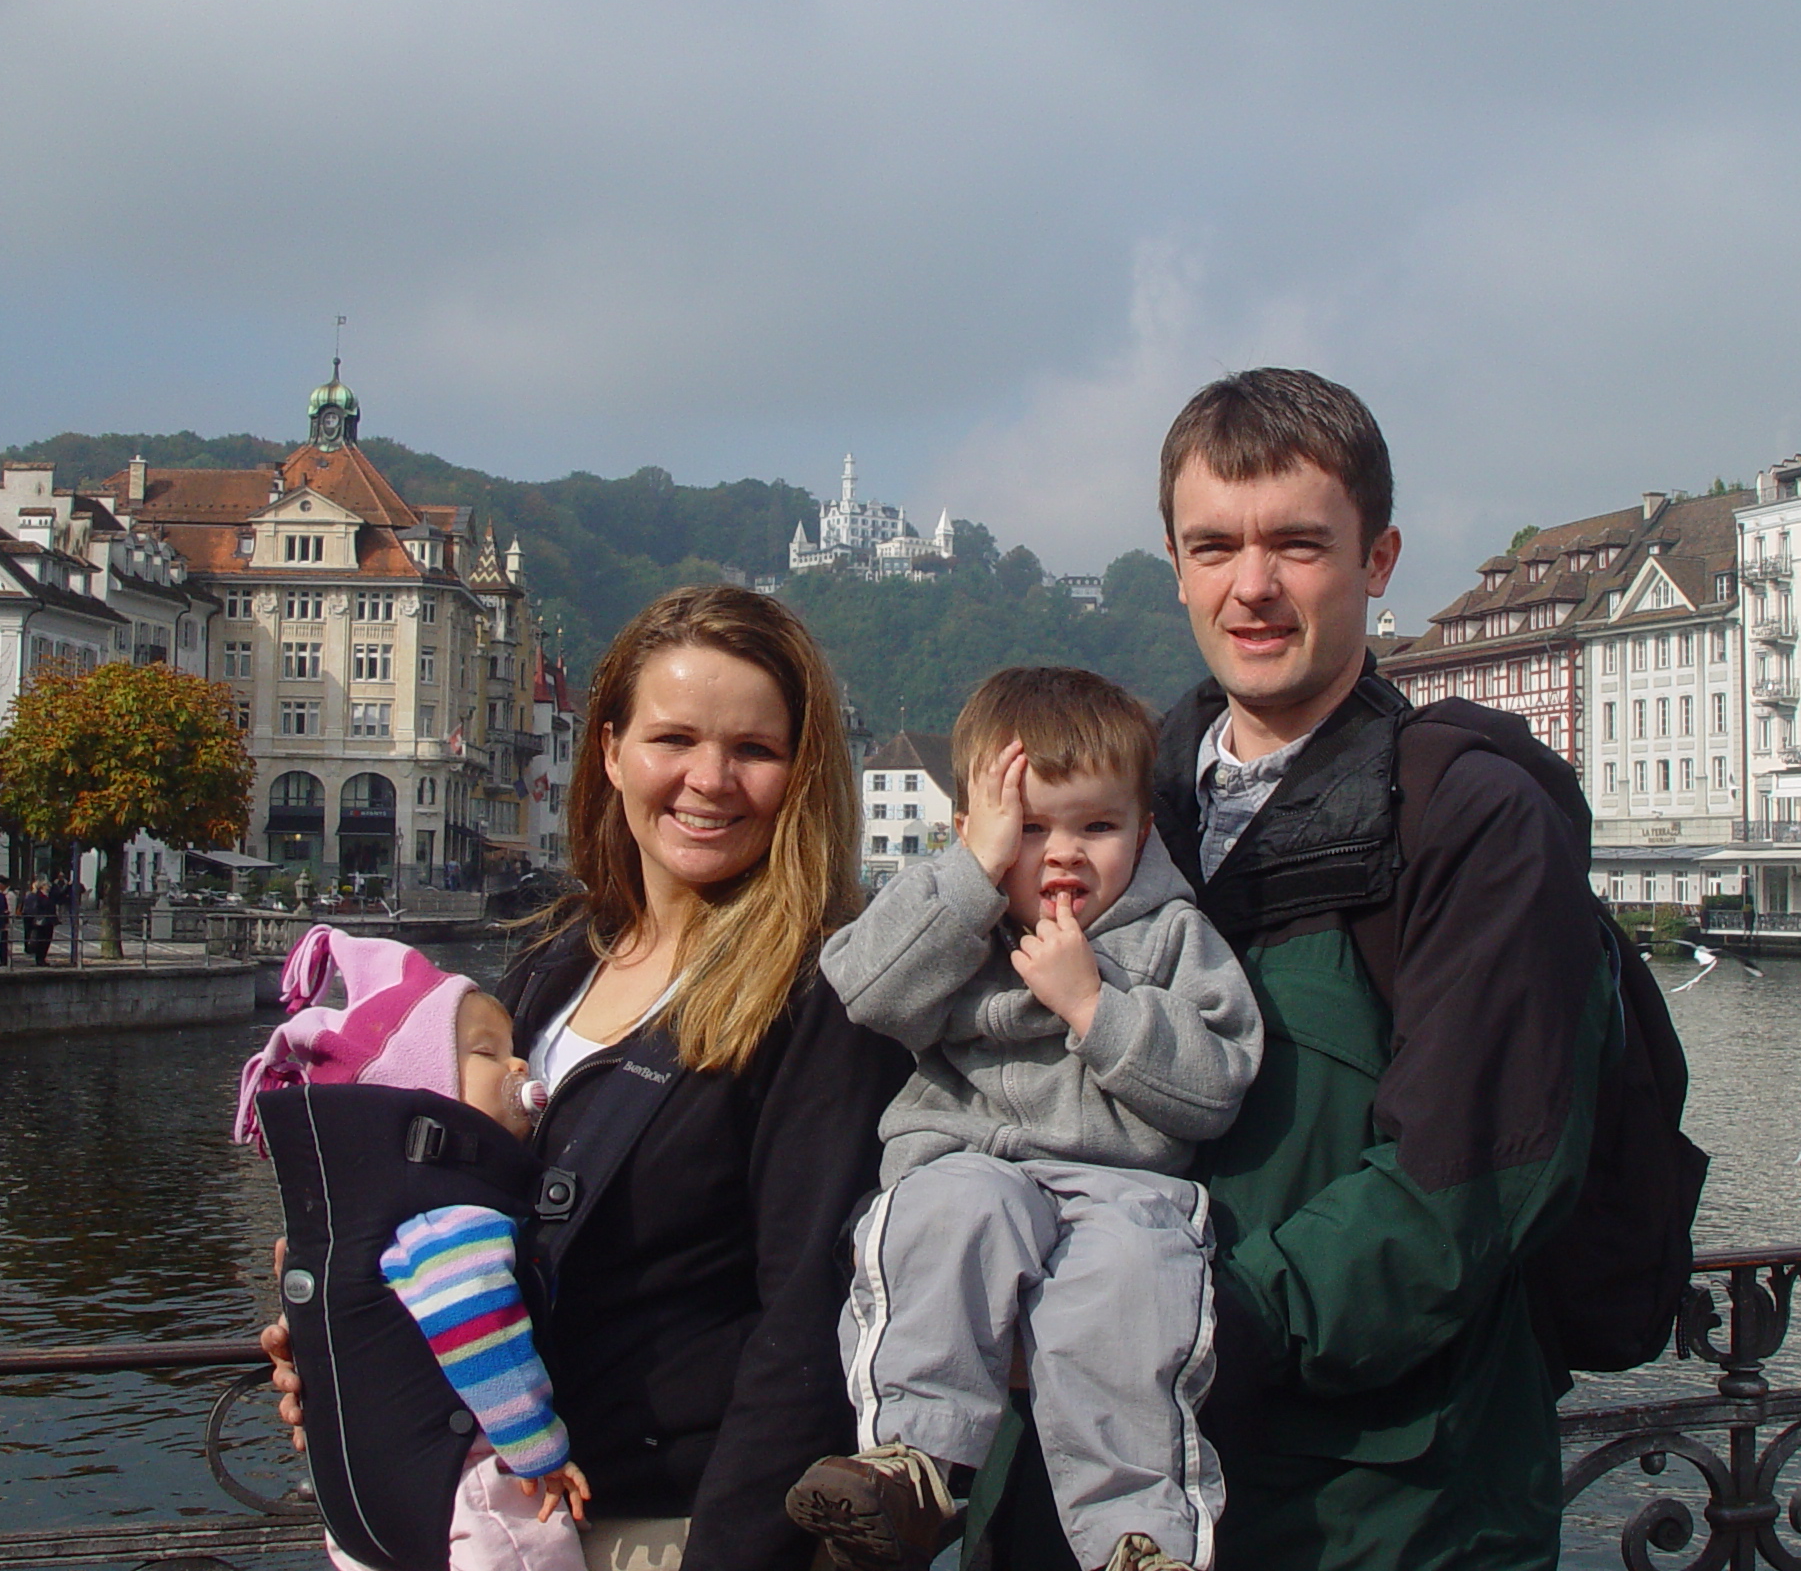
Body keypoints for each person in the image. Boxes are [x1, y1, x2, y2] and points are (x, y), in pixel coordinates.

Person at [978, 370, 1614, 1571]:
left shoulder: (1469, 817)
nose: (1250, 586)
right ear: (1172, 563)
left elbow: (1466, 1179)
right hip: (1077, 1482)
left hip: (1361, 1506)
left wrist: (1189, 1327)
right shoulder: (1121, 799)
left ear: (1376, 560)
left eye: (1297, 545)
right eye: (1213, 545)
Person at [268, 585, 909, 1570]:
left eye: (754, 750)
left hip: (672, 1526)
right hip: (509, 1520)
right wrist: (354, 1343)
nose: (710, 779)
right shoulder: (554, 966)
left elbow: (809, 1327)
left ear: (802, 772)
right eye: (674, 739)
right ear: (609, 751)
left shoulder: (820, 997)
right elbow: (458, 1219)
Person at [793, 667, 1262, 1571]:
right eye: (1030, 829)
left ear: (1144, 832)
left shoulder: (1171, 935)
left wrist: (1097, 1008)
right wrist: (970, 879)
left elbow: (1216, 1085)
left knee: (1131, 1289)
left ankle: (1144, 1540)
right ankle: (908, 1465)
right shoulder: (953, 920)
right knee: (948, 1211)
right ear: (975, 828)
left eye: (1097, 827)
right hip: (965, 1160)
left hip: (1122, 1185)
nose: (1063, 855)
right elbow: (865, 991)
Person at [238, 925, 590, 1571]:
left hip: (363, 1502)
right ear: (424, 1094)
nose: (520, 1067)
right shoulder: (454, 1209)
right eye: (489, 1053)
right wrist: (539, 1450)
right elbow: (478, 1324)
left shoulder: (363, 1208)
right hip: (471, 1485)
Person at [21, 880, 58, 967]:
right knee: (41, 941)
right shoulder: (37, 896)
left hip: (49, 921)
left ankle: (42, 958)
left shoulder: (49, 896)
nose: (48, 887)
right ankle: (40, 959)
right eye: (46, 885)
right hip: (41, 922)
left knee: (47, 940)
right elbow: (35, 908)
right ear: (41, 886)